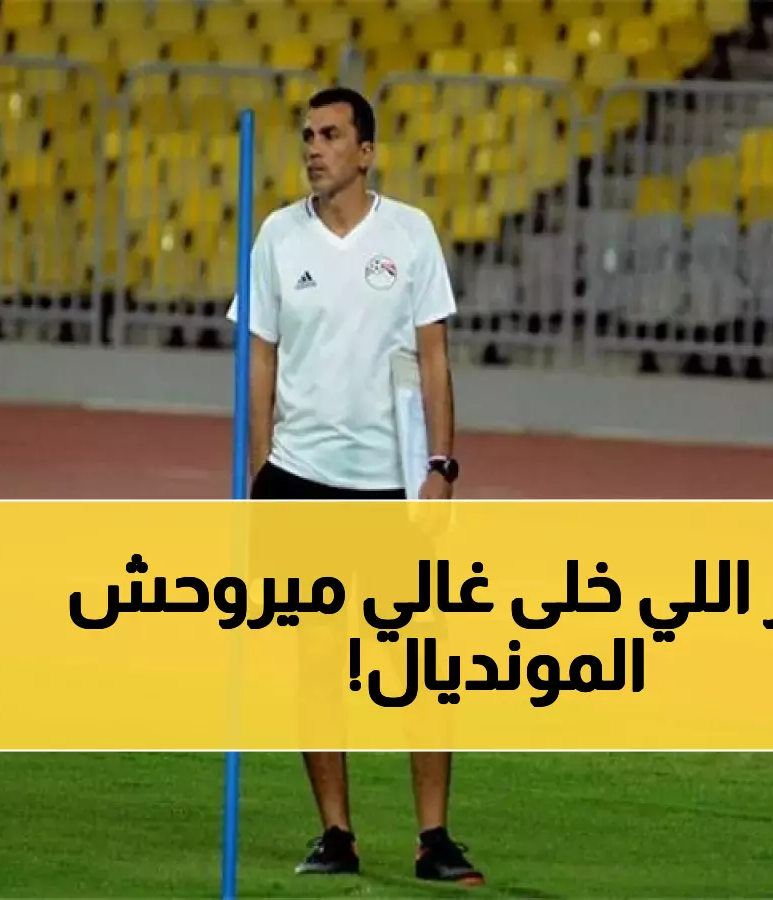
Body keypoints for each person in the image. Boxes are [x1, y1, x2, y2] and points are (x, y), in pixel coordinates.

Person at [225, 86, 483, 886]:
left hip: (392, 486)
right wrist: (258, 471)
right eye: (307, 134)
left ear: (365, 152)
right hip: (301, 479)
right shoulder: (277, 235)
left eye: (331, 135)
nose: (314, 147)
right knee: (318, 662)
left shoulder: (410, 234)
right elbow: (260, 356)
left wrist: (442, 464)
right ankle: (336, 834)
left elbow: (435, 357)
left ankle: (434, 838)